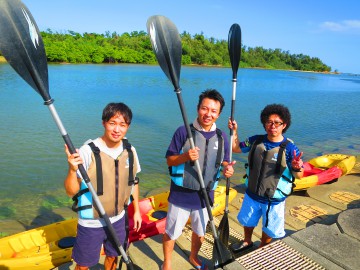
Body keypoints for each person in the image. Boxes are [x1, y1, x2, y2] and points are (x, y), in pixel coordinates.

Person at [162, 89, 235, 270]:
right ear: (197, 108)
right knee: (171, 233)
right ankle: (167, 263)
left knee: (200, 232)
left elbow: (224, 160)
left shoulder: (222, 136)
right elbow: (169, 160)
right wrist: (186, 156)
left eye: (213, 111)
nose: (208, 114)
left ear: (218, 114)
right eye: (204, 108)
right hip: (181, 194)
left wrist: (228, 168)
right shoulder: (183, 132)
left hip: (205, 195)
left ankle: (193, 257)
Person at [64, 102, 142, 270]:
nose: (117, 129)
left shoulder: (130, 151)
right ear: (104, 123)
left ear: (128, 126)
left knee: (113, 256)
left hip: (119, 219)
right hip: (92, 222)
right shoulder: (87, 151)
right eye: (112, 123)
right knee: (83, 265)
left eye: (122, 125)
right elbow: (71, 191)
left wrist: (136, 211)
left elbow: (133, 182)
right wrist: (72, 169)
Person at [228, 103, 304, 252]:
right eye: (269, 122)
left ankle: (263, 246)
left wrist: (296, 166)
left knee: (269, 227)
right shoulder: (256, 140)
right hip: (251, 194)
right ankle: (247, 241)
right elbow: (236, 148)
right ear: (264, 123)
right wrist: (234, 131)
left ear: (284, 125)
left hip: (273, 199)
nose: (273, 126)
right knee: (247, 221)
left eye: (277, 123)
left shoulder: (290, 148)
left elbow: (299, 175)